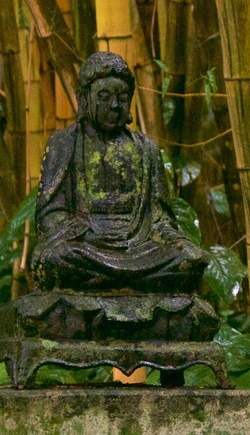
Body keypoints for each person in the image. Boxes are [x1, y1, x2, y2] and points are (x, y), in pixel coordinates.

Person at [30, 51, 207, 293]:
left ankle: (119, 283)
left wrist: (175, 240)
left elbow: (160, 218)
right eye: (103, 97)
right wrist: (87, 235)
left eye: (122, 98)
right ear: (84, 100)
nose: (113, 106)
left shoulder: (146, 149)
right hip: (88, 246)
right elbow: (50, 215)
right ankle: (121, 283)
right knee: (55, 258)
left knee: (188, 259)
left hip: (140, 247)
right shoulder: (64, 144)